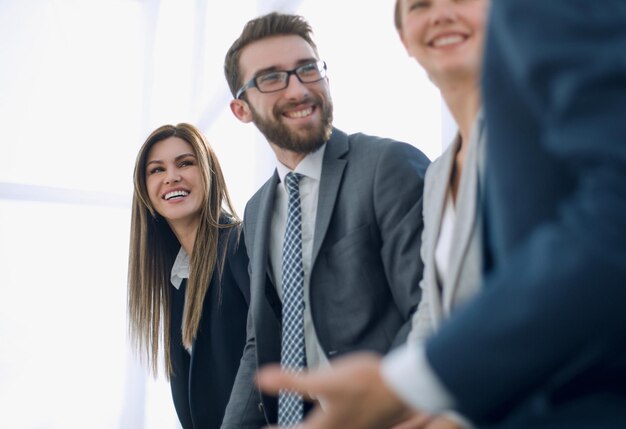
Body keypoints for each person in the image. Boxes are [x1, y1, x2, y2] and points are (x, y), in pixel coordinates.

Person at [256, 0, 626, 428]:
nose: (441, 14)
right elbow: (432, 310)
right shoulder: (437, 175)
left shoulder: (543, 142)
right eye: (419, 6)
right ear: (403, 40)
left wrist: (421, 396)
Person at [220, 12, 430, 428]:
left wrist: (380, 403)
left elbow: (432, 304)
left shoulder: (385, 165)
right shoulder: (258, 209)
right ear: (241, 109)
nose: (298, 89)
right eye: (271, 78)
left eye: (307, 69)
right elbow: (260, 339)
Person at [127, 123, 250, 429]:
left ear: (209, 172)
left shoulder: (241, 245)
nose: (172, 177)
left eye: (185, 163)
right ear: (145, 191)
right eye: (157, 170)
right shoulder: (177, 279)